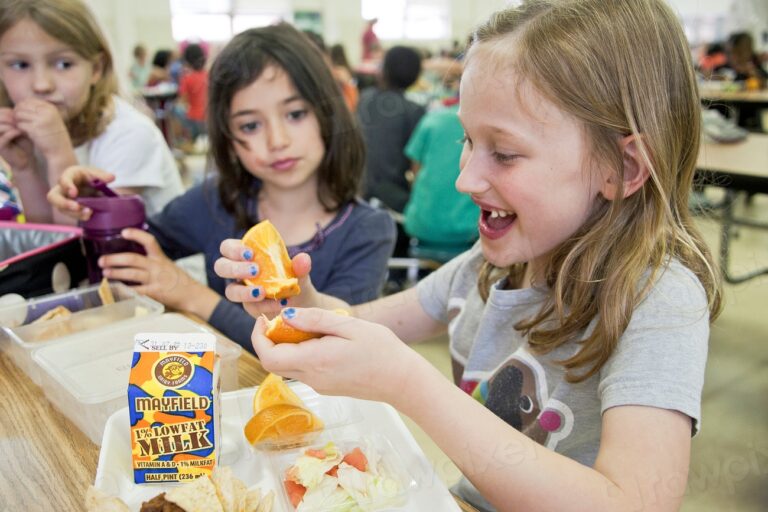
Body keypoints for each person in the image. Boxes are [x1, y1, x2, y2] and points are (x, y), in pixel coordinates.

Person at [214, 1, 723, 510]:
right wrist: (301, 304)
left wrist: (410, 385)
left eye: (504, 153)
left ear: (623, 167)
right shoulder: (491, 263)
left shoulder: (661, 301)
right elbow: (361, 322)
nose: (464, 179)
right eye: (467, 138)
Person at [48, 24, 396, 353]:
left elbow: (320, 351)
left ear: (328, 114)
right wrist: (99, 210)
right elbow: (128, 254)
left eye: (295, 114)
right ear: (228, 139)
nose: (277, 141)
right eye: (250, 125)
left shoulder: (368, 230)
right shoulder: (214, 201)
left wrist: (193, 296)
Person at [0, 0, 183, 223]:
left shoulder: (130, 133)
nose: (41, 85)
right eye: (20, 65)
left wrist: (59, 154)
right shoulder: (33, 131)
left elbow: (83, 247)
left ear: (96, 68)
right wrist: (24, 169)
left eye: (64, 64)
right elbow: (46, 239)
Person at [402, 92, 478, 257]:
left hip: (421, 227)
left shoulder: (432, 120)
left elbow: (415, 171)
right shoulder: (483, 124)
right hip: (469, 233)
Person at [357, 45, 425, 214]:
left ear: (384, 70)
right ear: (416, 75)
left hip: (357, 191)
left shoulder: (365, 98)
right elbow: (417, 167)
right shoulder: (414, 111)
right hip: (392, 199)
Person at [174, 43, 208, 145]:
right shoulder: (210, 75)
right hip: (209, 117)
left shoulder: (186, 79)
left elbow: (183, 101)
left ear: (187, 61)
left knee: (175, 109)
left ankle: (182, 140)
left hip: (194, 119)